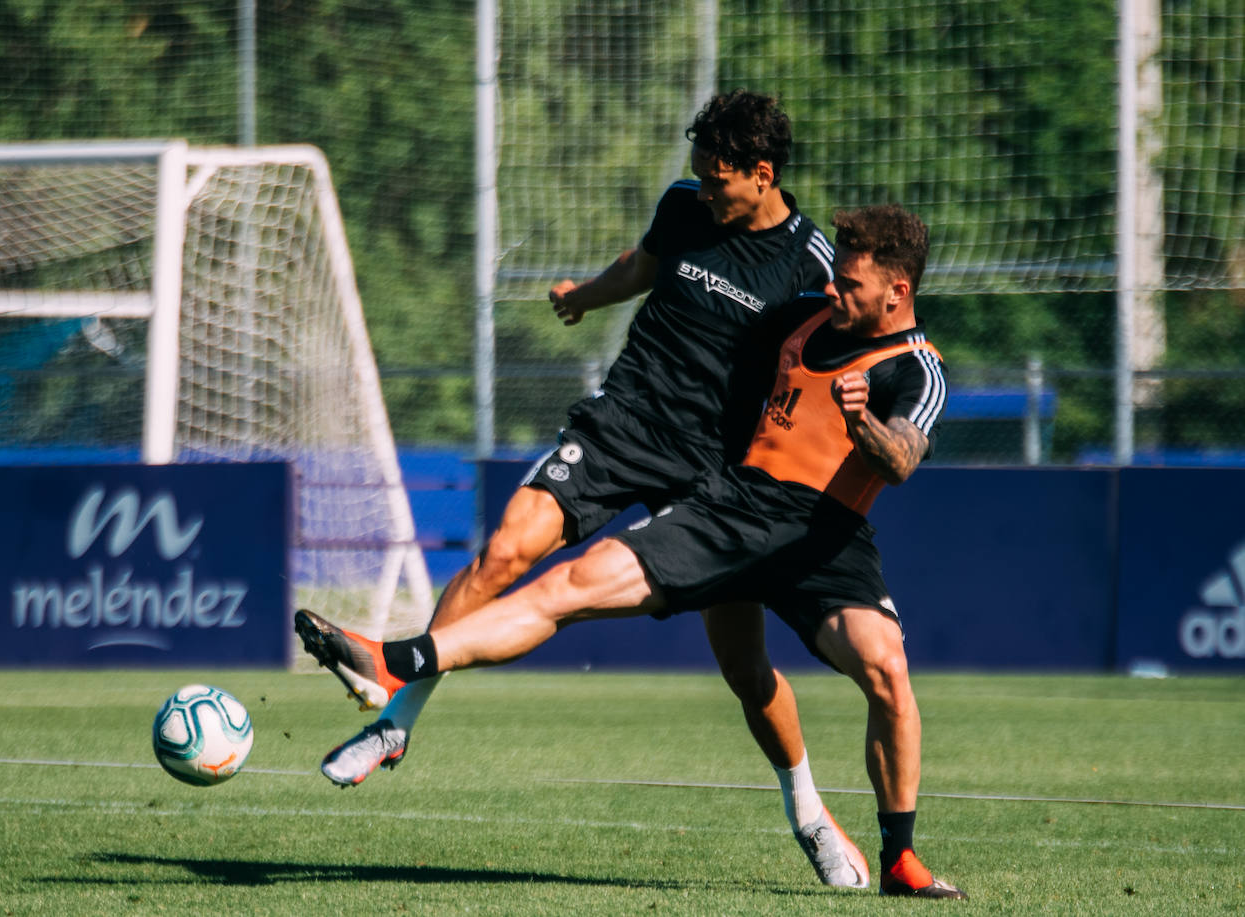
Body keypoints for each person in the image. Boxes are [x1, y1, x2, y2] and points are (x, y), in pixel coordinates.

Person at [297, 204, 965, 899]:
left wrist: (861, 421)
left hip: (824, 540)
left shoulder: (916, 369)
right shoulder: (799, 318)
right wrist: (596, 311)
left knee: (885, 670)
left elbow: (901, 459)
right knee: (572, 586)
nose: (834, 290)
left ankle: (899, 859)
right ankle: (393, 659)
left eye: (851, 285)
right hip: (732, 510)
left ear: (898, 292)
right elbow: (685, 310)